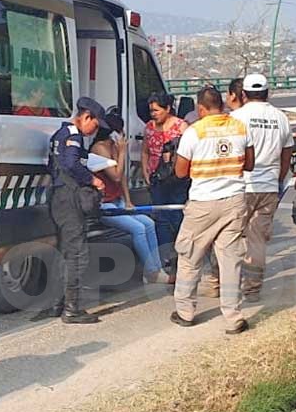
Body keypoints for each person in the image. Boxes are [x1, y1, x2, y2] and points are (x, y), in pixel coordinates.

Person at [170, 86, 254, 334]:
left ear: (200, 108)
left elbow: (180, 172)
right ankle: (233, 316)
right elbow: (249, 164)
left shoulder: (194, 132)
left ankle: (185, 312)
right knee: (230, 260)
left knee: (189, 257)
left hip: (203, 203)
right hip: (235, 201)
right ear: (223, 104)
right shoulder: (240, 128)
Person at [224, 72, 294, 299]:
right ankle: (252, 288)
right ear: (267, 93)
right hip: (268, 186)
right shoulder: (281, 118)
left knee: (230, 237)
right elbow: (286, 153)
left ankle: (225, 285)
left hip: (240, 186)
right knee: (257, 240)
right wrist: (278, 178)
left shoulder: (237, 117)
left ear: (243, 94)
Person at [48, 97, 109, 324]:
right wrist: (92, 180)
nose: (95, 130)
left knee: (64, 251)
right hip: (69, 199)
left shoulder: (59, 135)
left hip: (57, 197)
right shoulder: (73, 136)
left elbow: (53, 165)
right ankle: (72, 309)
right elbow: (71, 164)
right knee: (76, 254)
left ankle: (57, 304)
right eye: (95, 124)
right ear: (86, 117)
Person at [91, 111, 171, 284]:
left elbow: (124, 178)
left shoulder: (113, 146)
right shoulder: (99, 148)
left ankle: (157, 269)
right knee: (137, 228)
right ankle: (151, 271)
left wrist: (128, 200)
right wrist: (121, 153)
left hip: (118, 201)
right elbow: (116, 176)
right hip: (105, 204)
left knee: (148, 223)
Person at [143, 91, 191, 263]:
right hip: (157, 178)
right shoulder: (149, 127)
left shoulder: (181, 127)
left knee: (177, 215)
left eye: (157, 110)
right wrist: (146, 171)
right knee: (160, 218)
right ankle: (166, 254)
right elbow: (145, 151)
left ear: (168, 109)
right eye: (151, 111)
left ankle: (182, 253)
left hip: (176, 178)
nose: (154, 114)